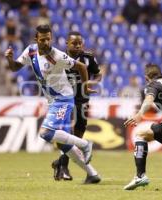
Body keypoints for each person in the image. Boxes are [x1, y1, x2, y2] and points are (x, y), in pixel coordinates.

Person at [4, 24, 96, 180]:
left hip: (64, 99)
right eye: (43, 40)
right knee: (64, 142)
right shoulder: (30, 51)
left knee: (46, 133)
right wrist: (9, 59)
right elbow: (14, 68)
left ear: (51, 38)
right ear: (36, 39)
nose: (46, 43)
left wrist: (86, 86)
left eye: (48, 39)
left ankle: (85, 145)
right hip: (53, 101)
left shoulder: (57, 55)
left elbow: (81, 66)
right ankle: (90, 174)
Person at [51, 31, 102, 184]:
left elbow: (98, 74)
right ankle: (64, 166)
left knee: (79, 130)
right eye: (74, 43)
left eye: (80, 43)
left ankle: (60, 163)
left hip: (82, 98)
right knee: (67, 130)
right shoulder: (58, 57)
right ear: (67, 43)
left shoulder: (88, 57)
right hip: (64, 98)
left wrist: (92, 83)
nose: (78, 45)